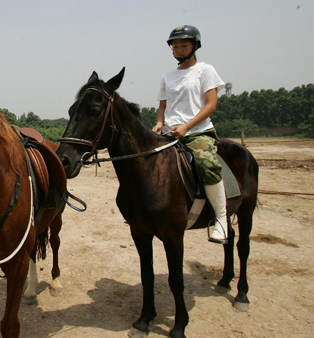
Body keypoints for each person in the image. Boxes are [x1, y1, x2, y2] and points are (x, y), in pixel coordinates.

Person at [153, 25, 228, 244]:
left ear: (195, 45)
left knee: (206, 163)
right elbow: (162, 106)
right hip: (170, 134)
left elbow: (211, 104)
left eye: (184, 45)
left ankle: (221, 219)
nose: (179, 49)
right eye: (175, 46)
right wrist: (159, 123)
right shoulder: (167, 76)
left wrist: (187, 126)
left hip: (197, 131)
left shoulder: (205, 70)